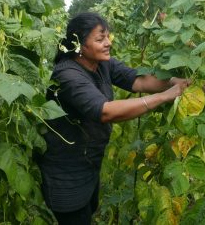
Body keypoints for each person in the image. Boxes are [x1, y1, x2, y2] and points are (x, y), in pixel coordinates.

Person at [37, 12, 190, 225]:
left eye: (108, 37)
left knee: (88, 212)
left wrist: (176, 81)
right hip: (66, 172)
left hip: (89, 162)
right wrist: (164, 96)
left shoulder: (102, 63)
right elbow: (105, 111)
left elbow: (139, 81)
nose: (108, 43)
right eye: (100, 39)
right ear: (79, 45)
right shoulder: (67, 75)